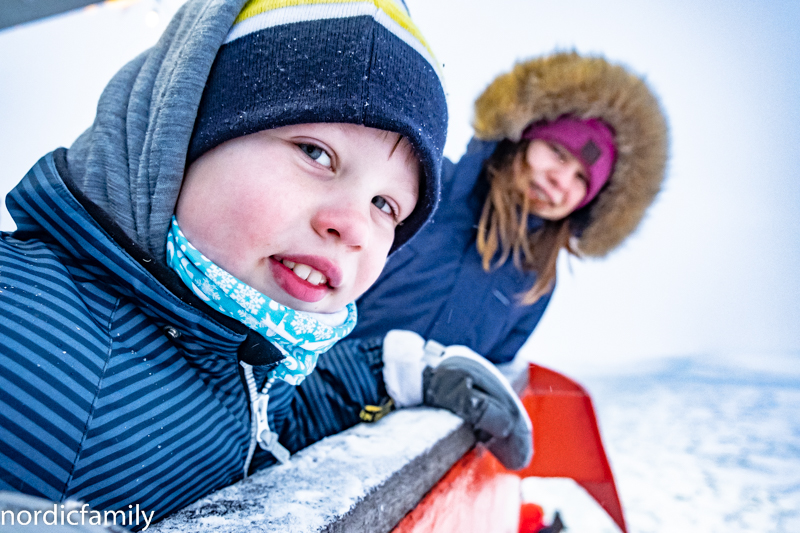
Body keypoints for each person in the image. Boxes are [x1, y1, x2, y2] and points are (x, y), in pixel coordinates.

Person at [0, 0, 447, 526]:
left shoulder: (238, 346)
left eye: (385, 206)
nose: (350, 227)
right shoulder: (28, 339)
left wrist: (387, 369)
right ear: (179, 135)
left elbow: (273, 418)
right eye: (315, 152)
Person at [286, 51, 669, 471]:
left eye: (581, 178)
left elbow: (495, 370)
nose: (562, 179)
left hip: (394, 457)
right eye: (559, 153)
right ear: (523, 136)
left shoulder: (538, 280)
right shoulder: (429, 191)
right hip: (300, 398)